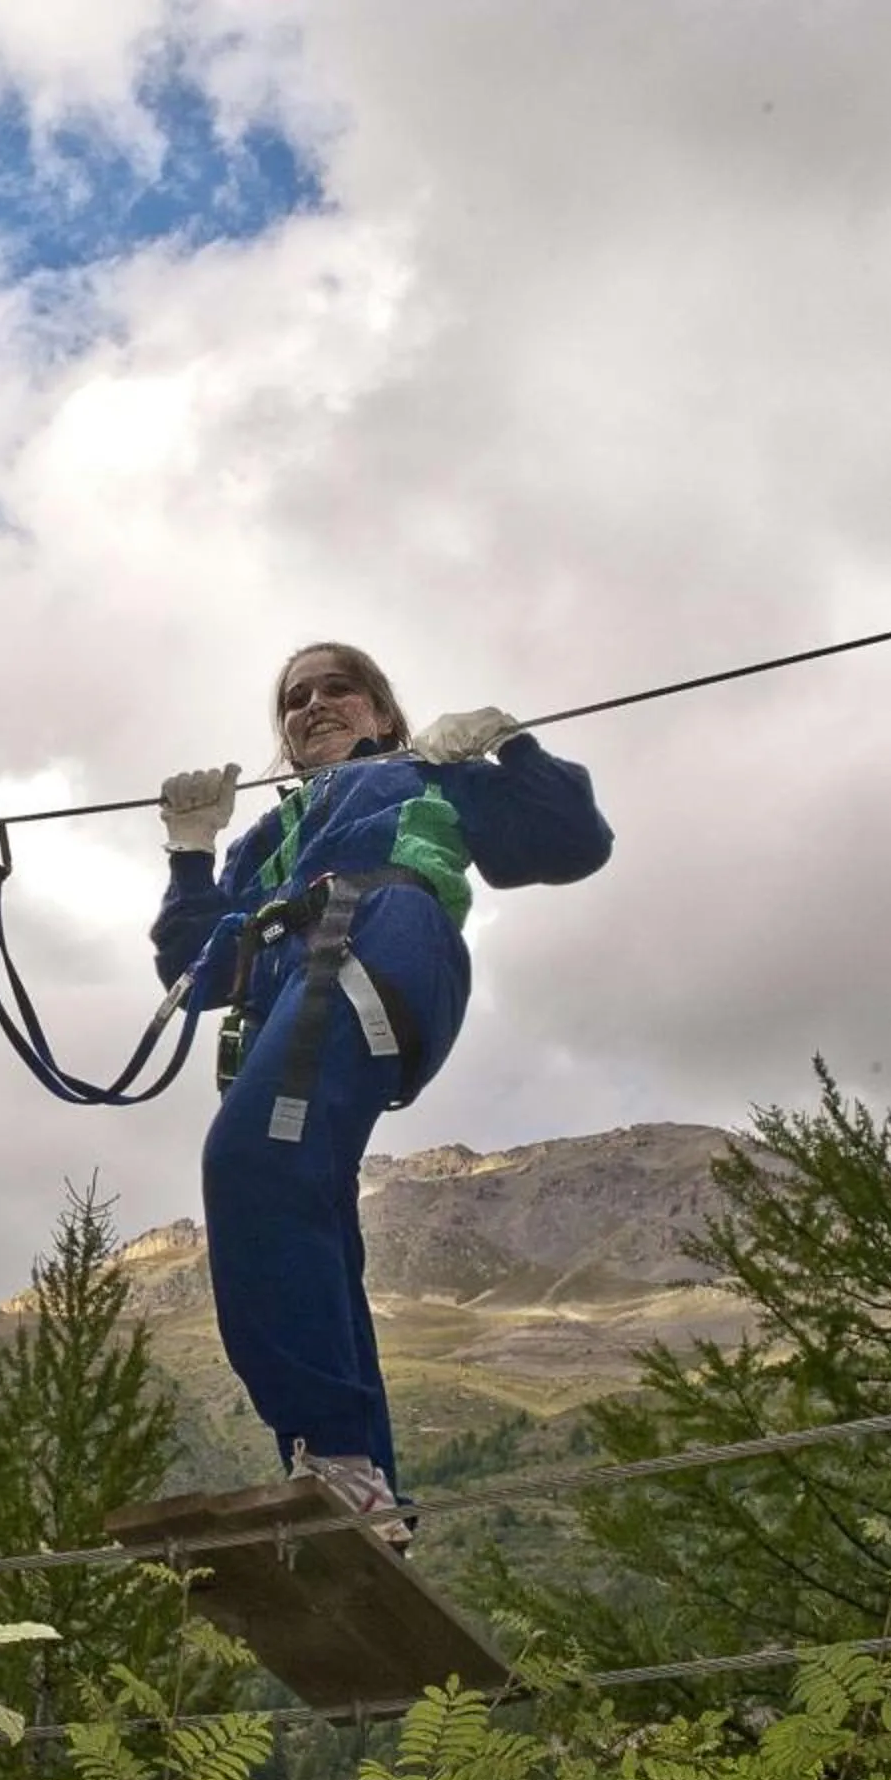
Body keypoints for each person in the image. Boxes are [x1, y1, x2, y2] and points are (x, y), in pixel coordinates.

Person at [152, 641, 612, 1538]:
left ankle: (332, 1449)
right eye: (295, 698)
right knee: (303, 1208)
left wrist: (510, 748)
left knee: (251, 1161)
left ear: (382, 712)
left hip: (382, 930)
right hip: (286, 976)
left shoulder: (425, 774)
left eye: (340, 688)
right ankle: (363, 1485)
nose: (314, 704)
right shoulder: (264, 838)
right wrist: (190, 853)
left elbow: (572, 843)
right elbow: (192, 972)